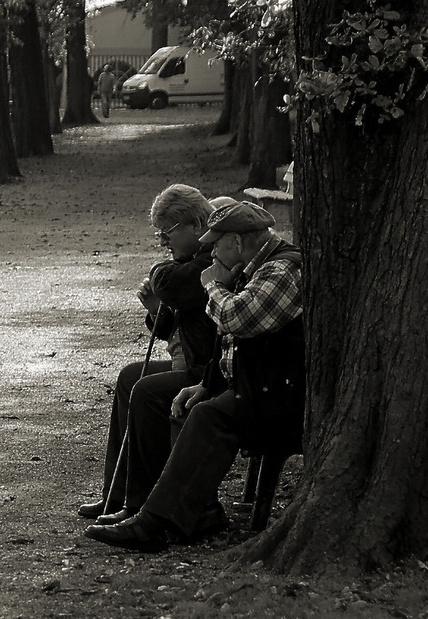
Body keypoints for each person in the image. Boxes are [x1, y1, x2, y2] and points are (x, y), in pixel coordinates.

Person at [83, 201, 304, 552]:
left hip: (277, 394)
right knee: (170, 395)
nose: (211, 250)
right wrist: (206, 385)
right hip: (252, 383)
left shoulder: (280, 270)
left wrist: (213, 286)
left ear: (235, 240)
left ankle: (157, 521)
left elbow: (236, 319)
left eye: (216, 244)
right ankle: (146, 505)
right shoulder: (252, 267)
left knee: (205, 414)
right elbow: (228, 344)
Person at [78, 185, 218, 520]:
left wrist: (160, 281)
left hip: (209, 372)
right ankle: (116, 492)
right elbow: (171, 325)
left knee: (146, 390)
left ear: (197, 225)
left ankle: (139, 504)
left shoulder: (210, 262)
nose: (162, 242)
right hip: (197, 365)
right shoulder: (188, 261)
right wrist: (157, 309)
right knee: (130, 377)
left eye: (167, 232)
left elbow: (170, 282)